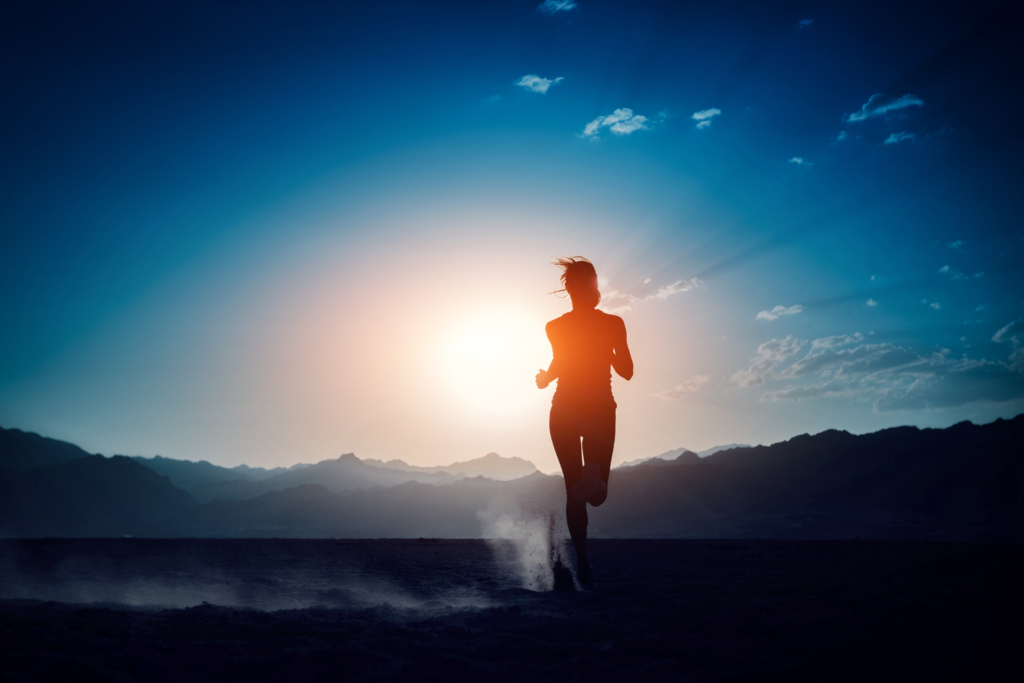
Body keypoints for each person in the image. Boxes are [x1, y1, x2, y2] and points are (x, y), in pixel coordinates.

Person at [535, 257, 633, 587]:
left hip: (568, 409)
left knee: (582, 493)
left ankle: (580, 561)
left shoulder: (558, 326)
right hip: (594, 411)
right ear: (589, 288)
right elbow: (627, 372)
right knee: (590, 493)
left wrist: (546, 378)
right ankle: (583, 565)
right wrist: (549, 376)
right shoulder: (611, 324)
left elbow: (559, 365)